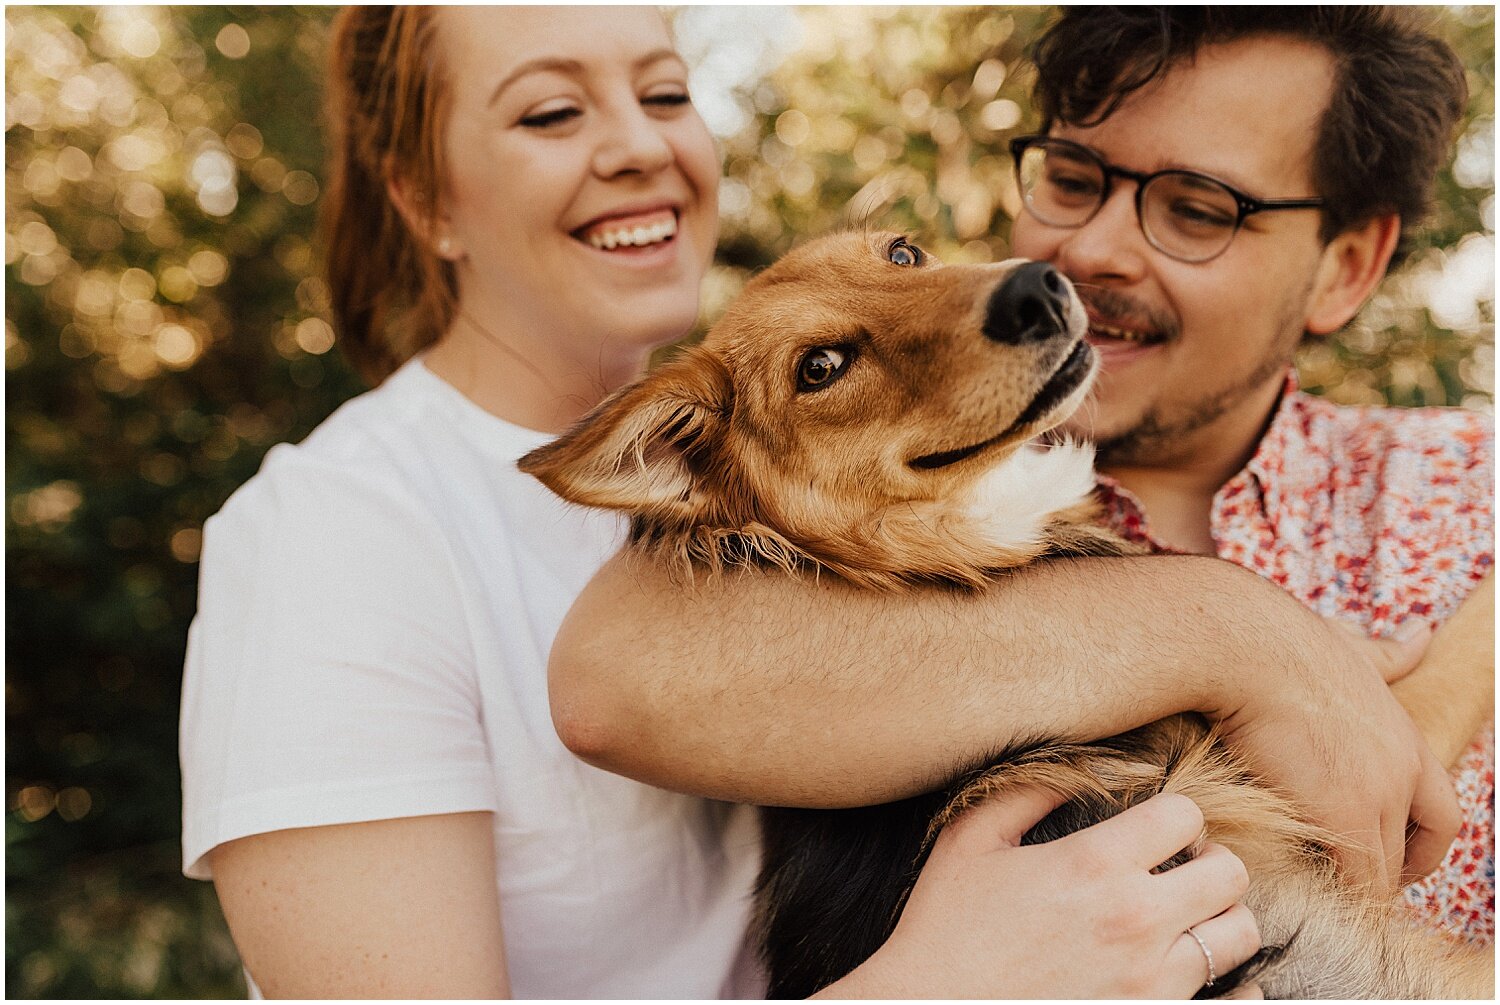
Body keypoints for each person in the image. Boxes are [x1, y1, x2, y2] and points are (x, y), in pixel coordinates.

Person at [178, 6, 1263, 999]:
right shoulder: (332, 538)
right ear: (426, 199)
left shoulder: (836, 484)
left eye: (663, 94)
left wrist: (1252, 641)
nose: (642, 147)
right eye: (551, 112)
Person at [549, 3, 1495, 949]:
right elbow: (608, 679)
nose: (1082, 256)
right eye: (1074, 179)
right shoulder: (798, 563)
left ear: (1347, 267)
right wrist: (1234, 632)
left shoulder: (1465, 491)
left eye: (1199, 210)